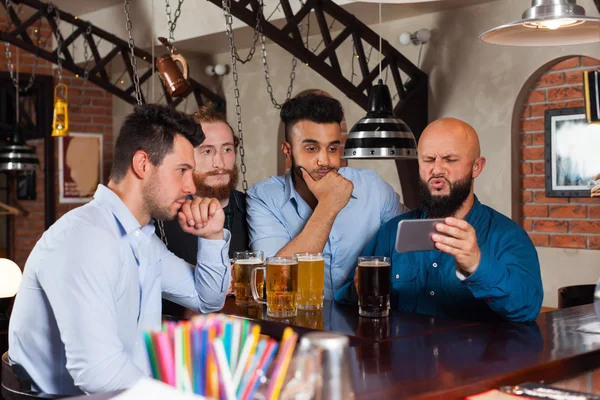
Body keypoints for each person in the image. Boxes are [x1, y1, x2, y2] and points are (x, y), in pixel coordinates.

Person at [8, 104, 232, 395]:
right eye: (182, 171)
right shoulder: (84, 240)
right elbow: (99, 375)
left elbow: (207, 298)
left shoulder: (140, 239)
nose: (191, 186)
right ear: (142, 164)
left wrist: (212, 236)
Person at [334, 118, 543, 322]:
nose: (437, 169)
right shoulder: (392, 232)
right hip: (403, 356)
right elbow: (344, 299)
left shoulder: (508, 236)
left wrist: (477, 264)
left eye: (450, 159)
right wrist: (357, 290)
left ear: (476, 167)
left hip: (471, 357)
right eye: (428, 160)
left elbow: (526, 309)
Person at [246, 93, 406, 300]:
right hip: (296, 325)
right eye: (311, 148)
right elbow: (276, 285)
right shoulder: (263, 197)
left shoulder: (373, 187)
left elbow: (411, 245)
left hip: (367, 322)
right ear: (287, 150)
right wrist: (329, 206)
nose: (326, 161)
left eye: (332, 148)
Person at [160, 107, 249, 262]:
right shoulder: (163, 217)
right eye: (207, 151)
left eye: (227, 149)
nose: (220, 163)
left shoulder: (257, 210)